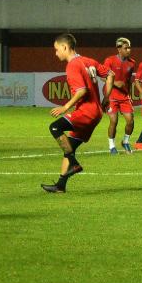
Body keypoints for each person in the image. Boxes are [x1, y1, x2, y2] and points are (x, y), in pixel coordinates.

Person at [42, 33, 113, 193]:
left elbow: (82, 90)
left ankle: (74, 163)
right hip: (97, 113)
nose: (56, 53)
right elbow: (110, 75)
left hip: (86, 111)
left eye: (56, 49)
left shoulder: (72, 65)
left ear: (65, 47)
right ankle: (60, 185)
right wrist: (106, 97)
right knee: (70, 147)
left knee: (55, 127)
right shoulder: (89, 61)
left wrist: (65, 107)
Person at [104, 37, 137, 154]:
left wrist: (129, 94)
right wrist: (114, 83)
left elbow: (128, 81)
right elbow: (103, 77)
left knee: (130, 121)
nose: (129, 50)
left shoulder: (132, 63)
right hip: (112, 96)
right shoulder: (110, 61)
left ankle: (126, 142)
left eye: (129, 47)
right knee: (114, 121)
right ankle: (112, 146)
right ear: (119, 49)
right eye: (126, 48)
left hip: (125, 97)